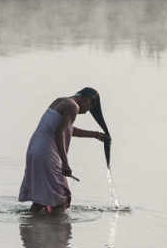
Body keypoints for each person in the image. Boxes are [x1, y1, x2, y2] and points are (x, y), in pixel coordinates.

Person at [19, 87, 110, 215]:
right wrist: (65, 162)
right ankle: (55, 230)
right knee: (61, 199)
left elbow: (66, 128)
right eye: (89, 108)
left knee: (41, 199)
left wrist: (95, 135)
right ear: (87, 100)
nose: (86, 112)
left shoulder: (61, 100)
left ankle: (31, 225)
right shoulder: (73, 107)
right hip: (47, 153)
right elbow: (59, 132)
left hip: (35, 150)